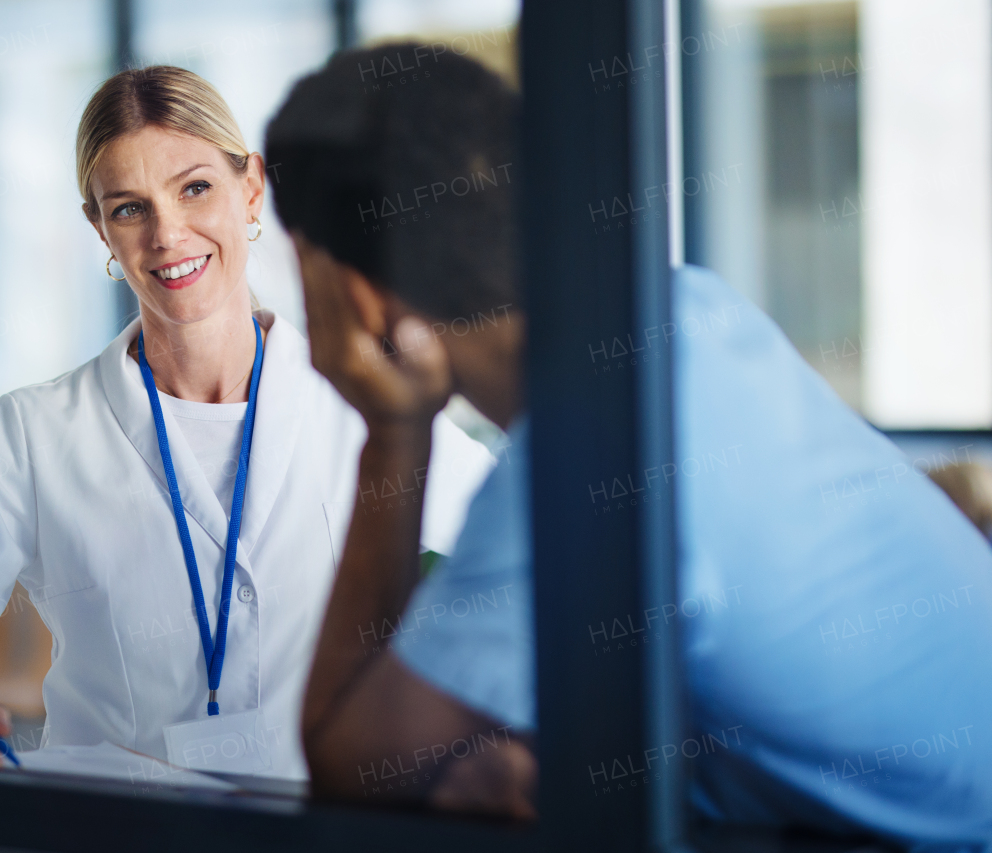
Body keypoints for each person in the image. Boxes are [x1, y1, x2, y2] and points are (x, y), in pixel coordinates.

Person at [266, 44, 992, 845]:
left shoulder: (586, 465)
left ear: (352, 291)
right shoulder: (689, 308)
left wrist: (394, 434)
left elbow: (351, 765)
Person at [0, 66, 494, 778]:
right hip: (115, 829)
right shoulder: (33, 433)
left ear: (250, 187)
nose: (167, 233)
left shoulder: (369, 401)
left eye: (194, 188)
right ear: (100, 227)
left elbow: (538, 554)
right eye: (128, 208)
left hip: (319, 824)